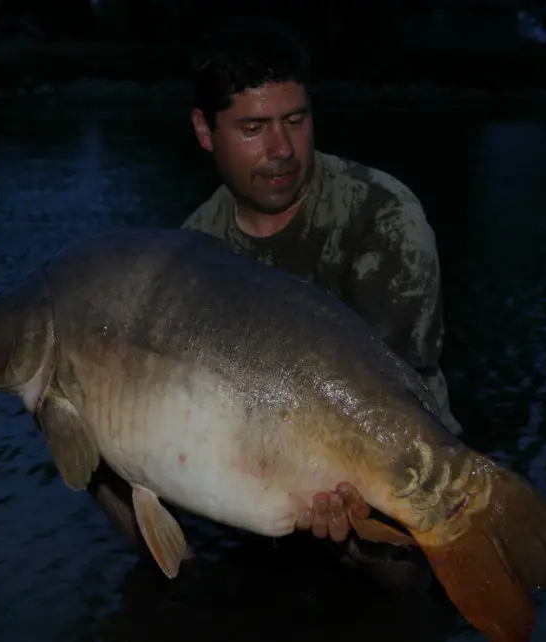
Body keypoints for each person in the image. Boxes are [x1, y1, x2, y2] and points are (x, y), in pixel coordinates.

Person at [179, 17, 464, 588]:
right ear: (206, 132)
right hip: (251, 478)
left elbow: (396, 391)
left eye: (295, 120)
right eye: (253, 127)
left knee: (404, 576)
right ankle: (183, 589)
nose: (281, 149)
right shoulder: (193, 249)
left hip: (386, 469)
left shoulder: (381, 214)